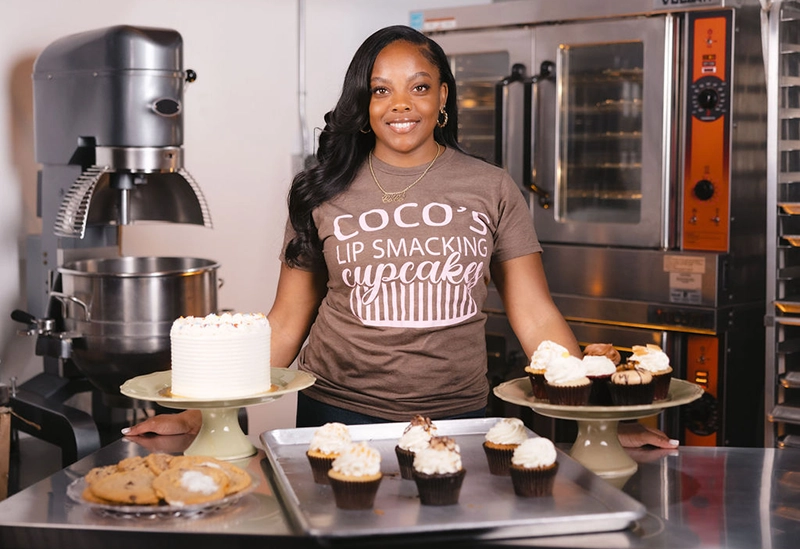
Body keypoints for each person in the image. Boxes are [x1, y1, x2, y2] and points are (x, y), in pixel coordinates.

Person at [124, 25, 677, 450]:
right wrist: (204, 413)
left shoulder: (491, 186)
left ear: (443, 98)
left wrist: (598, 422)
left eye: (419, 87)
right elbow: (287, 323)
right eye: (381, 90)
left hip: (463, 418)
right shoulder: (321, 191)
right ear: (363, 106)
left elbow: (534, 316)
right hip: (336, 417)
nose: (401, 104)